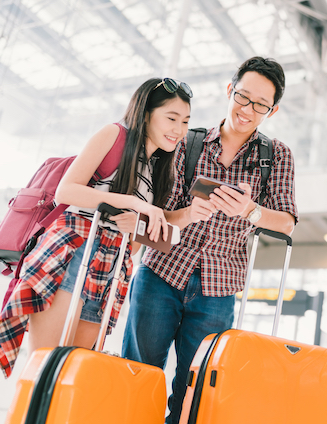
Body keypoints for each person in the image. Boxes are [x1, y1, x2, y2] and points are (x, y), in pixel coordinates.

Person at [122, 56, 298, 424]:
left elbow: (287, 224)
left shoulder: (276, 156)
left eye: (261, 105)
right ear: (229, 89)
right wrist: (188, 214)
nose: (247, 110)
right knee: (138, 375)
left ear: (273, 109)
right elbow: (155, 215)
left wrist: (251, 211)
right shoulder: (186, 142)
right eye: (242, 96)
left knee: (196, 392)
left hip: (217, 291)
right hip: (160, 275)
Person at [0, 77, 193, 378]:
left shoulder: (160, 168)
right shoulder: (114, 134)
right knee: (43, 370)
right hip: (73, 252)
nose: (179, 130)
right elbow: (66, 191)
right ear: (147, 113)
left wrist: (137, 222)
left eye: (186, 121)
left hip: (111, 269)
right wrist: (134, 204)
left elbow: (135, 245)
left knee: (73, 374)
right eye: (172, 118)